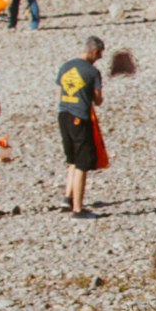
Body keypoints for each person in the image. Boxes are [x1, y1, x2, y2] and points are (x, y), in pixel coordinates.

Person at [57, 35, 105, 218]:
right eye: (99, 54)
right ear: (93, 51)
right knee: (82, 164)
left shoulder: (65, 67)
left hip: (63, 115)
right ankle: (78, 209)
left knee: (72, 160)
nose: (99, 58)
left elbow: (59, 92)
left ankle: (67, 198)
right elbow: (98, 100)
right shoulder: (92, 72)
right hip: (80, 118)